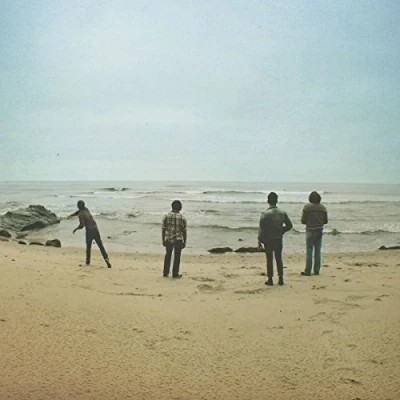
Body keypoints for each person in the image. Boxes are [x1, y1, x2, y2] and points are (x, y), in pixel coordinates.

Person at [258, 192, 293, 286]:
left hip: (268, 239)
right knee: (278, 258)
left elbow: (262, 229)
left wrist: (260, 241)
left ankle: (270, 279)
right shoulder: (282, 213)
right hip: (278, 238)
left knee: (269, 259)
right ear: (277, 201)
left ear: (268, 201)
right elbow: (289, 225)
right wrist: (282, 230)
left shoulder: (265, 214)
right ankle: (281, 278)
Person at [68, 200, 112, 268]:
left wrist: (76, 229)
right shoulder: (86, 209)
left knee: (88, 246)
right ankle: (106, 258)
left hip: (89, 231)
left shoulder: (80, 215)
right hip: (95, 228)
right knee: (100, 245)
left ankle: (88, 261)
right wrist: (71, 215)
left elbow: (82, 225)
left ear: (78, 206)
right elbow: (78, 212)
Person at [301, 191, 328, 276]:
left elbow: (303, 221)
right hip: (319, 230)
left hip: (310, 230)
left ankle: (308, 271)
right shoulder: (323, 208)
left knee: (309, 251)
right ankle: (316, 270)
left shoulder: (307, 207)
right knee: (317, 251)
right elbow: (325, 221)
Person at [162, 200, 187, 278]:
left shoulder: (166, 216)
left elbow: (163, 229)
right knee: (177, 257)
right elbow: (184, 231)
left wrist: (163, 239)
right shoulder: (182, 217)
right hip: (178, 239)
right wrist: (184, 242)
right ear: (180, 208)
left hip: (169, 238)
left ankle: (165, 272)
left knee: (168, 255)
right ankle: (175, 273)